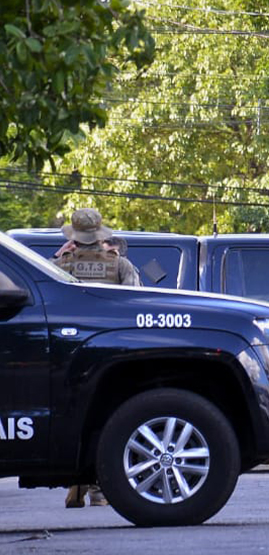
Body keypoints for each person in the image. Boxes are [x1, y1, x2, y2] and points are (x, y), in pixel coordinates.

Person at [54, 209, 140, 508]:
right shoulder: (120, 264)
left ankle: (75, 483)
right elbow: (134, 301)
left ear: (74, 236)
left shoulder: (61, 264)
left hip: (69, 351)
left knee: (73, 417)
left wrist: (60, 255)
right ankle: (98, 488)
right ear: (100, 233)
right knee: (105, 418)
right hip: (108, 351)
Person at [53, 209, 140, 287]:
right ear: (100, 236)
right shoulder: (122, 264)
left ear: (74, 238)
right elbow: (134, 296)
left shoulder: (60, 264)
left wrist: (56, 256)